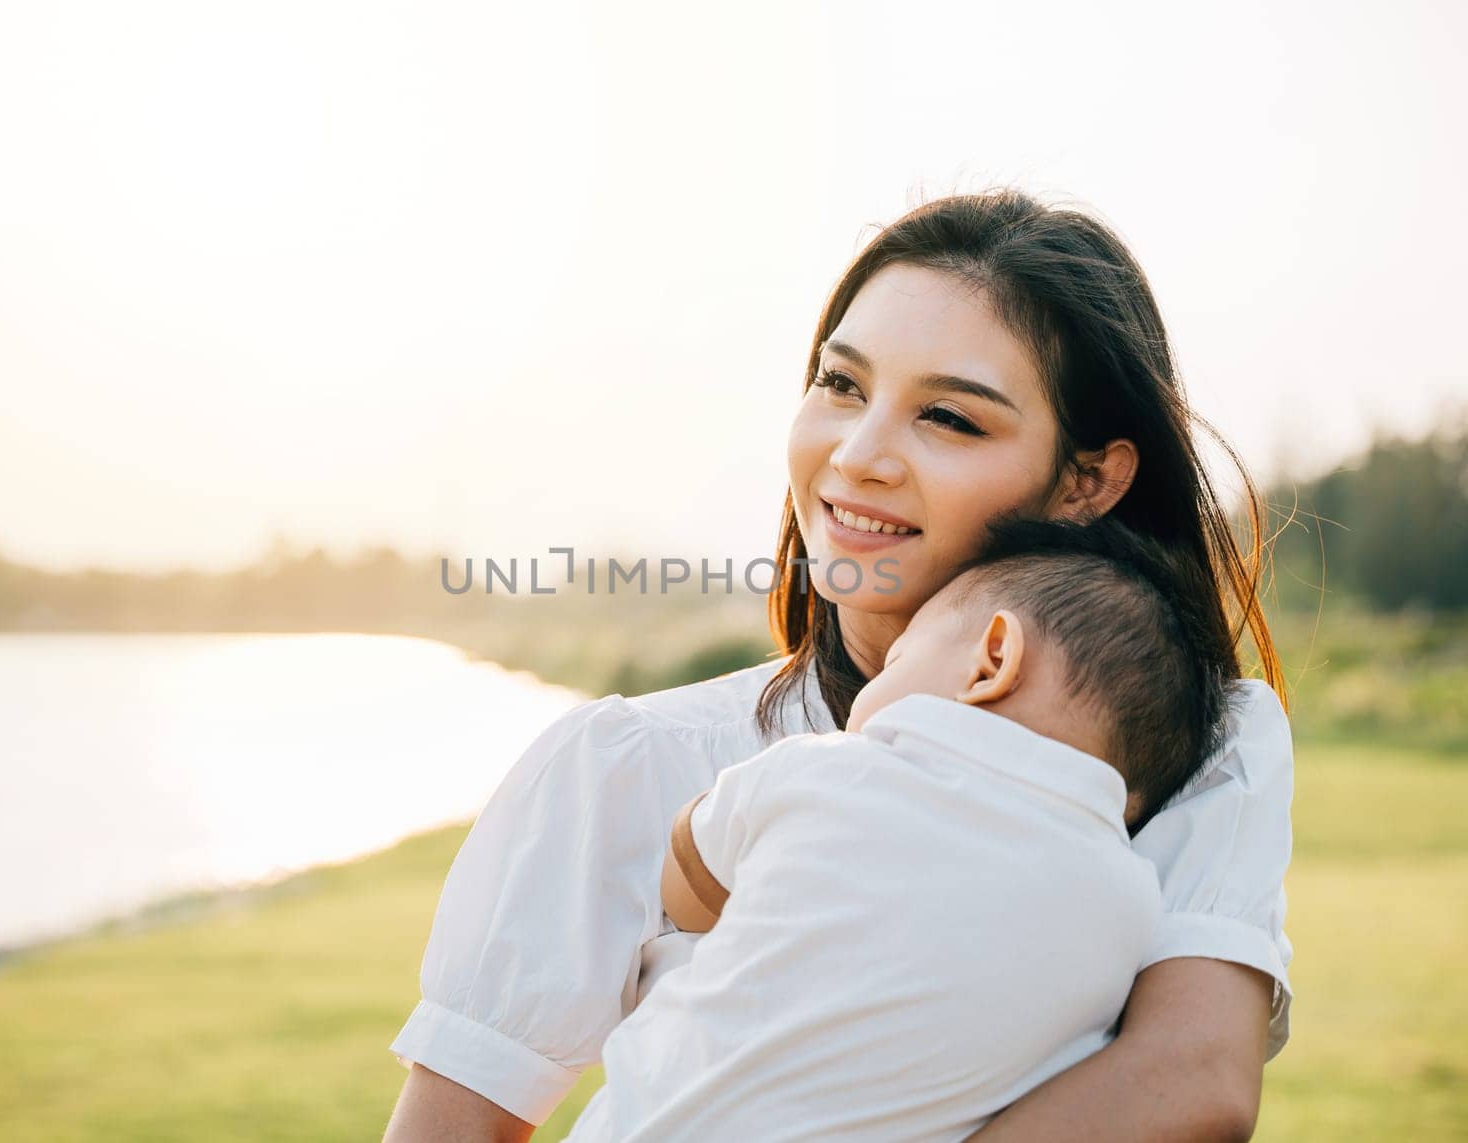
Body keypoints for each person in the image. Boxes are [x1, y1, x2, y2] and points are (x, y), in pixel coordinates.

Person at [380, 190, 1294, 1143]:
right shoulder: (630, 764)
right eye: (841, 384)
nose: (857, 456)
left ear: (1086, 480)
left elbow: (1193, 1082)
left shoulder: (1193, 748)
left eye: (946, 416)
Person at [565, 517, 1235, 1141]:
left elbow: (686, 883)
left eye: (898, 658)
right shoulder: (1133, 905)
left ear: (992, 658)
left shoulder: (828, 771)